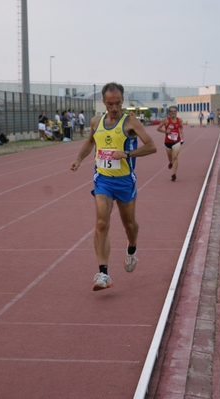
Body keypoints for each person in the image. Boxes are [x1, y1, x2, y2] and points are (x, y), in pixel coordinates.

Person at [70, 82, 156, 291]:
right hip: (103, 179)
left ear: (122, 101)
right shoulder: (95, 122)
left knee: (130, 225)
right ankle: (103, 274)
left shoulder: (131, 123)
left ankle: (132, 249)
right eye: (110, 104)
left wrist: (127, 154)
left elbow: (151, 147)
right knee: (101, 223)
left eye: (118, 103)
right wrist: (79, 158)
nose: (114, 108)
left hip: (125, 180)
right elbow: (91, 141)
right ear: (103, 102)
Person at [157, 106, 184, 181]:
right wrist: (165, 131)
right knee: (170, 158)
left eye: (174, 111)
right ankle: (170, 162)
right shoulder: (166, 120)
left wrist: (181, 131)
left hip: (177, 141)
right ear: (169, 112)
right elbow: (158, 128)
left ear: (176, 112)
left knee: (175, 156)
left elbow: (181, 127)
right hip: (167, 142)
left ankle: (174, 174)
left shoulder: (180, 120)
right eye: (171, 111)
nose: (173, 112)